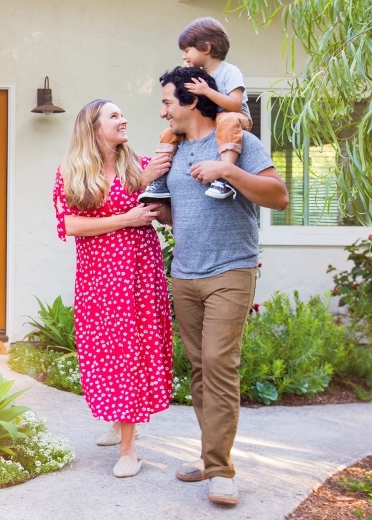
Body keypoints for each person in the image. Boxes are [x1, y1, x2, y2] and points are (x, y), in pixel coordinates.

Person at [156, 66, 288, 505]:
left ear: (192, 101)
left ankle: (221, 471)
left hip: (231, 268)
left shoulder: (238, 142)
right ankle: (211, 455)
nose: (163, 112)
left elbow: (278, 196)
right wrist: (160, 214)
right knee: (200, 369)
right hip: (185, 272)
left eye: (168, 103)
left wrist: (226, 172)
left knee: (219, 363)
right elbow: (182, 209)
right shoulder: (173, 150)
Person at [52, 99, 173, 478]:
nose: (123, 120)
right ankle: (119, 420)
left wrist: (154, 181)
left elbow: (161, 209)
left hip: (138, 275)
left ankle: (129, 449)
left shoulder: (136, 164)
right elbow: (70, 225)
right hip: (99, 279)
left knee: (132, 350)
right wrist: (126, 219)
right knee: (105, 350)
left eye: (123, 113)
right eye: (114, 115)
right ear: (93, 127)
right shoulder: (71, 172)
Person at [140, 17, 253, 203]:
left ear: (206, 48)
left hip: (236, 117)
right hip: (217, 118)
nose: (184, 56)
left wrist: (206, 91)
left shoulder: (229, 71)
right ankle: (160, 181)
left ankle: (224, 176)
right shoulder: (201, 75)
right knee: (168, 133)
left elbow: (235, 104)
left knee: (227, 120)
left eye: (187, 50)